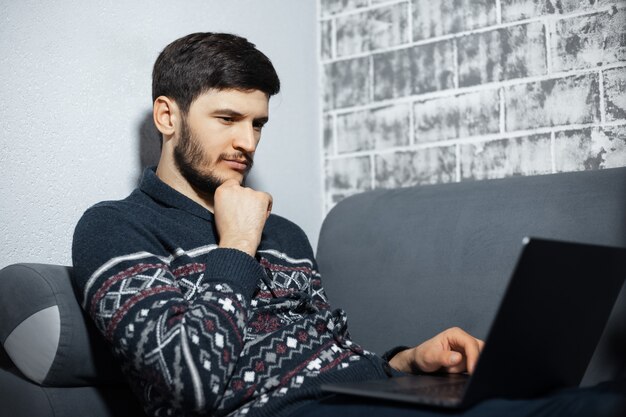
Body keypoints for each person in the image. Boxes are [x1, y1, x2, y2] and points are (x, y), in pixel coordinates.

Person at [71, 32, 625, 417]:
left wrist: (404, 361)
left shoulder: (284, 234)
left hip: (365, 399)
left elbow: (325, 353)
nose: (248, 142)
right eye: (227, 119)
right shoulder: (115, 228)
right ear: (168, 116)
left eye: (258, 123)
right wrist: (236, 242)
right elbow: (186, 386)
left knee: (592, 397)